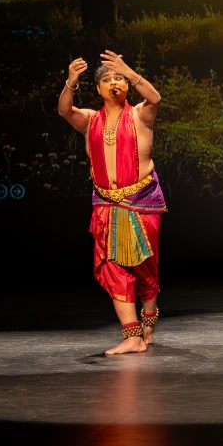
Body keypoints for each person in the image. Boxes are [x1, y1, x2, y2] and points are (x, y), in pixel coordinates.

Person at [58, 51, 166, 356]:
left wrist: (128, 70)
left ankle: (149, 317)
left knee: (144, 267)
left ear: (127, 85)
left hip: (141, 200)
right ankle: (132, 335)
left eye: (118, 78)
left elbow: (155, 98)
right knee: (113, 266)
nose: (114, 82)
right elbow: (64, 110)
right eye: (107, 79)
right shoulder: (91, 119)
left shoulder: (140, 114)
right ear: (98, 89)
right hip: (106, 203)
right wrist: (70, 81)